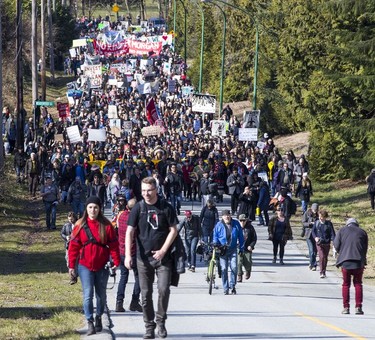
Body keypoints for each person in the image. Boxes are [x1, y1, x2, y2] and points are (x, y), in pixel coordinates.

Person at [125, 177, 178, 339]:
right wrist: (128, 255)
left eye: (149, 190)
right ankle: (149, 326)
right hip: (143, 259)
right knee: (145, 294)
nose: (146, 194)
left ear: (156, 190)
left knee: (163, 290)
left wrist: (163, 250)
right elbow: (129, 232)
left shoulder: (166, 207)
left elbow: (173, 230)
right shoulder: (138, 208)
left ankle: (161, 322)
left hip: (163, 258)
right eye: (143, 191)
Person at [68, 196, 121, 336]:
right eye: (90, 207)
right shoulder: (79, 225)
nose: (93, 210)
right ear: (86, 208)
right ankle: (89, 321)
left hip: (102, 265)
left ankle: (99, 317)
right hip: (84, 265)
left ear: (100, 209)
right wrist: (71, 266)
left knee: (101, 295)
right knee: (88, 295)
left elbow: (114, 245)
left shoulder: (107, 225)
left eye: (96, 207)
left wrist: (116, 262)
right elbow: (73, 247)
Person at [333, 218, 368, 315]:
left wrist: (342, 252)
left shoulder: (342, 231)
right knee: (358, 284)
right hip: (358, 262)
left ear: (347, 224)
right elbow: (364, 249)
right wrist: (363, 261)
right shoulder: (362, 232)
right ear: (357, 224)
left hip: (345, 262)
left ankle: (346, 307)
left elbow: (336, 245)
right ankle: (358, 307)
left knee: (345, 284)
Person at [115, 198, 142, 313]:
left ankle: (119, 302)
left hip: (121, 250)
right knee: (139, 277)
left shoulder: (121, 216)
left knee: (123, 277)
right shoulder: (137, 219)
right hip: (133, 251)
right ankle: (134, 302)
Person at [213, 210, 244, 295]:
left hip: (233, 249)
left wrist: (242, 248)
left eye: (228, 215)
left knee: (234, 267)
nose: (227, 217)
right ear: (222, 217)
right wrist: (216, 244)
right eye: (225, 215)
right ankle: (225, 288)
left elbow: (241, 236)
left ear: (230, 216)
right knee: (224, 269)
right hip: (223, 250)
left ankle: (232, 285)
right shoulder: (218, 225)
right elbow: (215, 236)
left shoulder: (236, 223)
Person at [311, 209, 335, 278]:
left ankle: (324, 271)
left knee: (325, 258)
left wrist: (334, 242)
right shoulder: (317, 223)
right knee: (321, 257)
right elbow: (313, 231)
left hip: (327, 243)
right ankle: (321, 272)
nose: (320, 218)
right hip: (319, 243)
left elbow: (332, 234)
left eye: (321, 217)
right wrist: (315, 237)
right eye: (319, 216)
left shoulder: (329, 224)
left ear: (325, 217)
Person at [237, 214, 257, 282]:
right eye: (241, 220)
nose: (242, 222)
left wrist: (251, 246)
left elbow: (254, 238)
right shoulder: (236, 227)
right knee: (238, 262)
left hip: (247, 248)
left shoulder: (250, 228)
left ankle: (248, 271)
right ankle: (239, 275)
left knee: (248, 263)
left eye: (244, 220)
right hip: (238, 248)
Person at [60, 211, 77, 284]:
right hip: (68, 246)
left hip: (77, 246)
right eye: (69, 219)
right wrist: (66, 237)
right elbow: (62, 233)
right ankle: (73, 276)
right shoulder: (66, 225)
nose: (70, 221)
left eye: (72, 219)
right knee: (68, 261)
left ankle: (74, 277)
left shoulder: (78, 225)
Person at [302, 203, 319, 271]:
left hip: (316, 235)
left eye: (316, 209)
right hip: (308, 234)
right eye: (314, 209)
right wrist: (309, 224)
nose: (315, 211)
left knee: (315, 251)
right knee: (311, 251)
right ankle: (313, 264)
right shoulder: (307, 213)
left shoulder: (318, 215)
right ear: (311, 209)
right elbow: (303, 222)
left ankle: (311, 263)